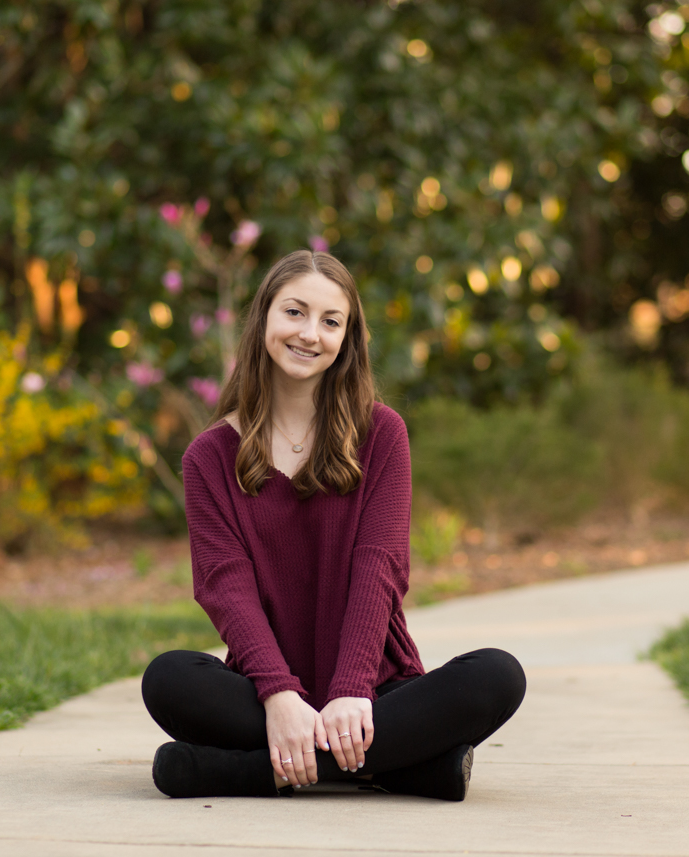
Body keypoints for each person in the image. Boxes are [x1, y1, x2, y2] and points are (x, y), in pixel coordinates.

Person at [142, 249, 525, 800]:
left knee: (498, 675)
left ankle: (254, 770)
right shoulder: (208, 457)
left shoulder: (382, 434)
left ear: (347, 338)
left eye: (330, 321)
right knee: (167, 679)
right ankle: (398, 768)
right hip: (264, 694)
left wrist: (351, 691)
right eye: (294, 312)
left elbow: (380, 568)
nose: (309, 334)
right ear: (264, 320)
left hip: (376, 691)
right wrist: (279, 696)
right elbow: (225, 586)